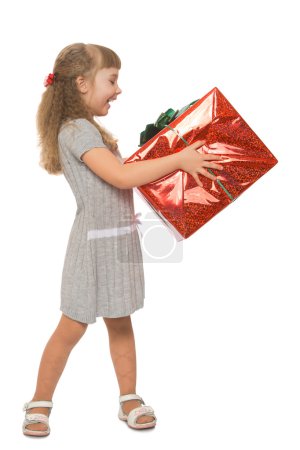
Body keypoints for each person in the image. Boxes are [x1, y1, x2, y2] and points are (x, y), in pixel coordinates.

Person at [22, 42, 224, 436]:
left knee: (120, 322)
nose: (118, 89)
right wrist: (180, 159)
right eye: (112, 80)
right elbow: (121, 177)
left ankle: (128, 397)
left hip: (118, 241)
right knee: (71, 327)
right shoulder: (75, 130)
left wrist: (169, 148)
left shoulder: (91, 128)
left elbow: (128, 176)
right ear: (81, 83)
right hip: (92, 246)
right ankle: (39, 400)